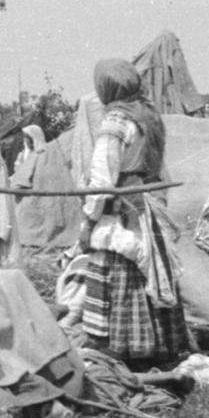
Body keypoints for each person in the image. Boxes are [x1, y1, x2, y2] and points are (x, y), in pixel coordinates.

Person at [66, 58, 188, 370]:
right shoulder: (149, 116)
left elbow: (103, 179)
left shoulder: (115, 122)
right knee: (150, 270)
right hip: (148, 206)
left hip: (123, 210)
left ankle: (122, 347)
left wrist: (89, 221)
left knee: (120, 270)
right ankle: (159, 345)